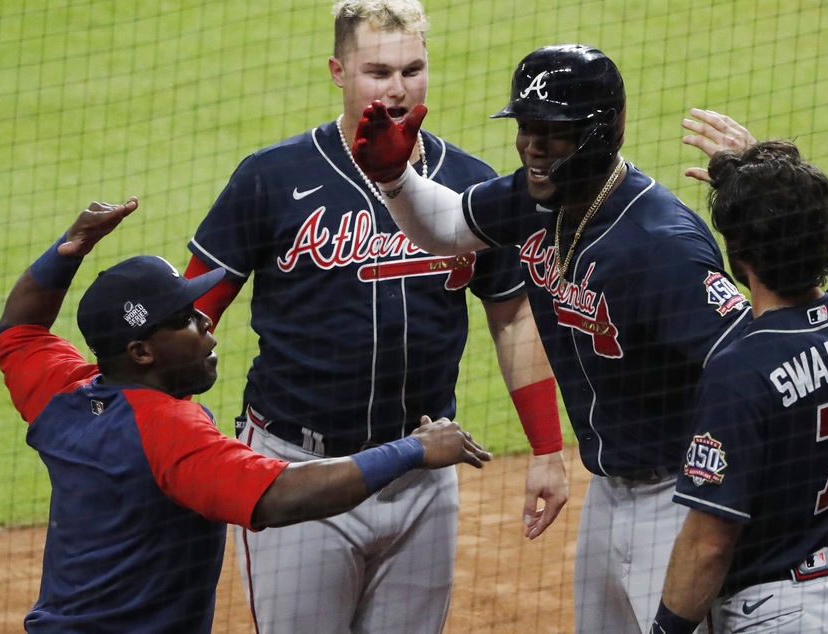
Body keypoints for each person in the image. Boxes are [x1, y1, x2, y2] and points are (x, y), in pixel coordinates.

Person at [184, 1, 568, 632]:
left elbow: (514, 318)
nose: (396, 89)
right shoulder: (272, 178)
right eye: (377, 71)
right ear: (338, 70)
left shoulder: (469, 186)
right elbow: (193, 313)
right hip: (297, 474)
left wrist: (548, 448)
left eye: (412, 70)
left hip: (422, 472)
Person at [352, 45, 752, 632]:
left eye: (554, 133)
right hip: (609, 491)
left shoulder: (660, 244)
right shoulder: (537, 200)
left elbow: (753, 367)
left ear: (605, 129)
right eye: (527, 129)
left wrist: (724, 497)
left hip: (681, 499)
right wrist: (395, 178)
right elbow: (447, 226)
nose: (533, 147)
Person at [0, 197, 492, 633]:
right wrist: (415, 449)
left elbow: (18, 329)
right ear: (142, 352)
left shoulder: (64, 395)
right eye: (185, 319)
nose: (206, 319)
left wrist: (67, 250)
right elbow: (281, 497)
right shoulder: (168, 431)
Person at [648, 111, 828, 634]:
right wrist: (780, 179)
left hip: (773, 613)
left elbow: (709, 542)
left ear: (737, 257)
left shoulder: (740, 368)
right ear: (827, 235)